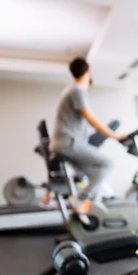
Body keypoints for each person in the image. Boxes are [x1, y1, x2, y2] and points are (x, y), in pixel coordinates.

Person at [49, 57, 125, 219]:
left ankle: (92, 215)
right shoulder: (77, 90)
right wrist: (115, 136)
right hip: (69, 143)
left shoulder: (70, 89)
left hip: (65, 143)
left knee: (95, 176)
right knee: (108, 163)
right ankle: (80, 200)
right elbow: (91, 119)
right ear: (88, 71)